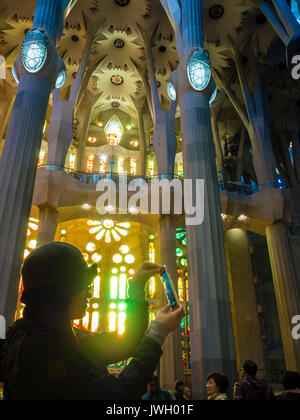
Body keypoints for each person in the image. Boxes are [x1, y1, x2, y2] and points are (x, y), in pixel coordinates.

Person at [0, 242, 184, 400]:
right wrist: (157, 333)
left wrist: (136, 287)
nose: (88, 293)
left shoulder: (56, 333)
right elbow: (118, 397)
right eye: (83, 287)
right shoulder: (40, 349)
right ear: (62, 295)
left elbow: (126, 342)